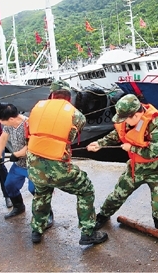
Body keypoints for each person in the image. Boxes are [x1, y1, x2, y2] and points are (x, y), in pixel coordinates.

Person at [26, 80, 107, 245]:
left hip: (33, 162)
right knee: (86, 189)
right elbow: (69, 138)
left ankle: (37, 230)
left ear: (51, 95)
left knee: (42, 193)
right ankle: (88, 232)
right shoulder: (77, 116)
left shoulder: (36, 108)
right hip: (57, 165)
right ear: (69, 97)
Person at [87, 94, 158, 232]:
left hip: (157, 170)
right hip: (135, 168)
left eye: (126, 119)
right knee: (116, 196)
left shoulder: (157, 123)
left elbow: (155, 152)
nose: (124, 122)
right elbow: (117, 134)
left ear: (136, 115)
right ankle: (103, 215)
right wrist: (100, 143)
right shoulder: (127, 120)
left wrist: (131, 148)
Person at [0, 102, 38, 219]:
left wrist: (17, 153)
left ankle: (46, 214)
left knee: (35, 190)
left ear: (12, 118)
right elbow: (3, 137)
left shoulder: (29, 124)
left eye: (1, 121)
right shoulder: (9, 125)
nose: (0, 123)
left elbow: (31, 146)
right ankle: (18, 206)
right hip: (19, 164)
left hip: (33, 164)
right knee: (9, 184)